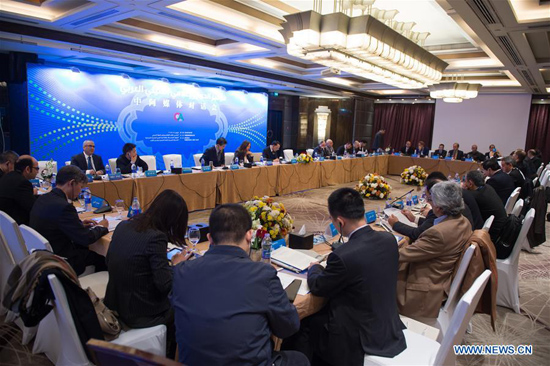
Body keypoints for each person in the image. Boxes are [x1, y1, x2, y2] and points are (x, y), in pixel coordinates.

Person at [172, 204, 308, 366]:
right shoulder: (262, 274)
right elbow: (288, 327)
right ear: (249, 235)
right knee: (299, 359)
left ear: (209, 239)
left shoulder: (181, 271)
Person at [285, 188, 406, 365]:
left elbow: (319, 286)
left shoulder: (343, 256)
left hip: (358, 337)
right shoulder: (388, 240)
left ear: (340, 222)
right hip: (387, 323)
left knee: (303, 324)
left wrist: (315, 268)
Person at [104, 190, 191, 358]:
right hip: (140, 314)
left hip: (115, 302)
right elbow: (165, 286)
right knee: (187, 304)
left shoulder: (124, 225)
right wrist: (176, 266)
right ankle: (173, 356)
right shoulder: (156, 237)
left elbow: (109, 260)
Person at [397, 181, 472, 319]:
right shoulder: (463, 221)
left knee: (378, 272)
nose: (428, 202)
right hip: (440, 277)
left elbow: (401, 256)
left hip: (424, 290)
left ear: (438, 207)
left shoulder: (439, 233)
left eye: (430, 200)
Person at [29, 165, 109, 276]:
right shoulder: (64, 207)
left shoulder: (43, 198)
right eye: (80, 187)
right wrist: (102, 227)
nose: (80, 191)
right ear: (71, 183)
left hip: (43, 258)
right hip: (62, 261)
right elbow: (86, 238)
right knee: (102, 257)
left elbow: (54, 224)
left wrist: (78, 224)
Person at [464, 170, 507, 243]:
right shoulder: (488, 187)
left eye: (465, 181)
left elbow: (465, 195)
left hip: (493, 234)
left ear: (470, 183)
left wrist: (464, 190)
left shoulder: (475, 196)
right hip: (502, 228)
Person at [0, 156, 38, 225]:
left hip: (5, 224)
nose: (38, 172)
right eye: (36, 168)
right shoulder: (22, 183)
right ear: (27, 169)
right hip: (19, 225)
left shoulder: (7, 176)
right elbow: (34, 208)